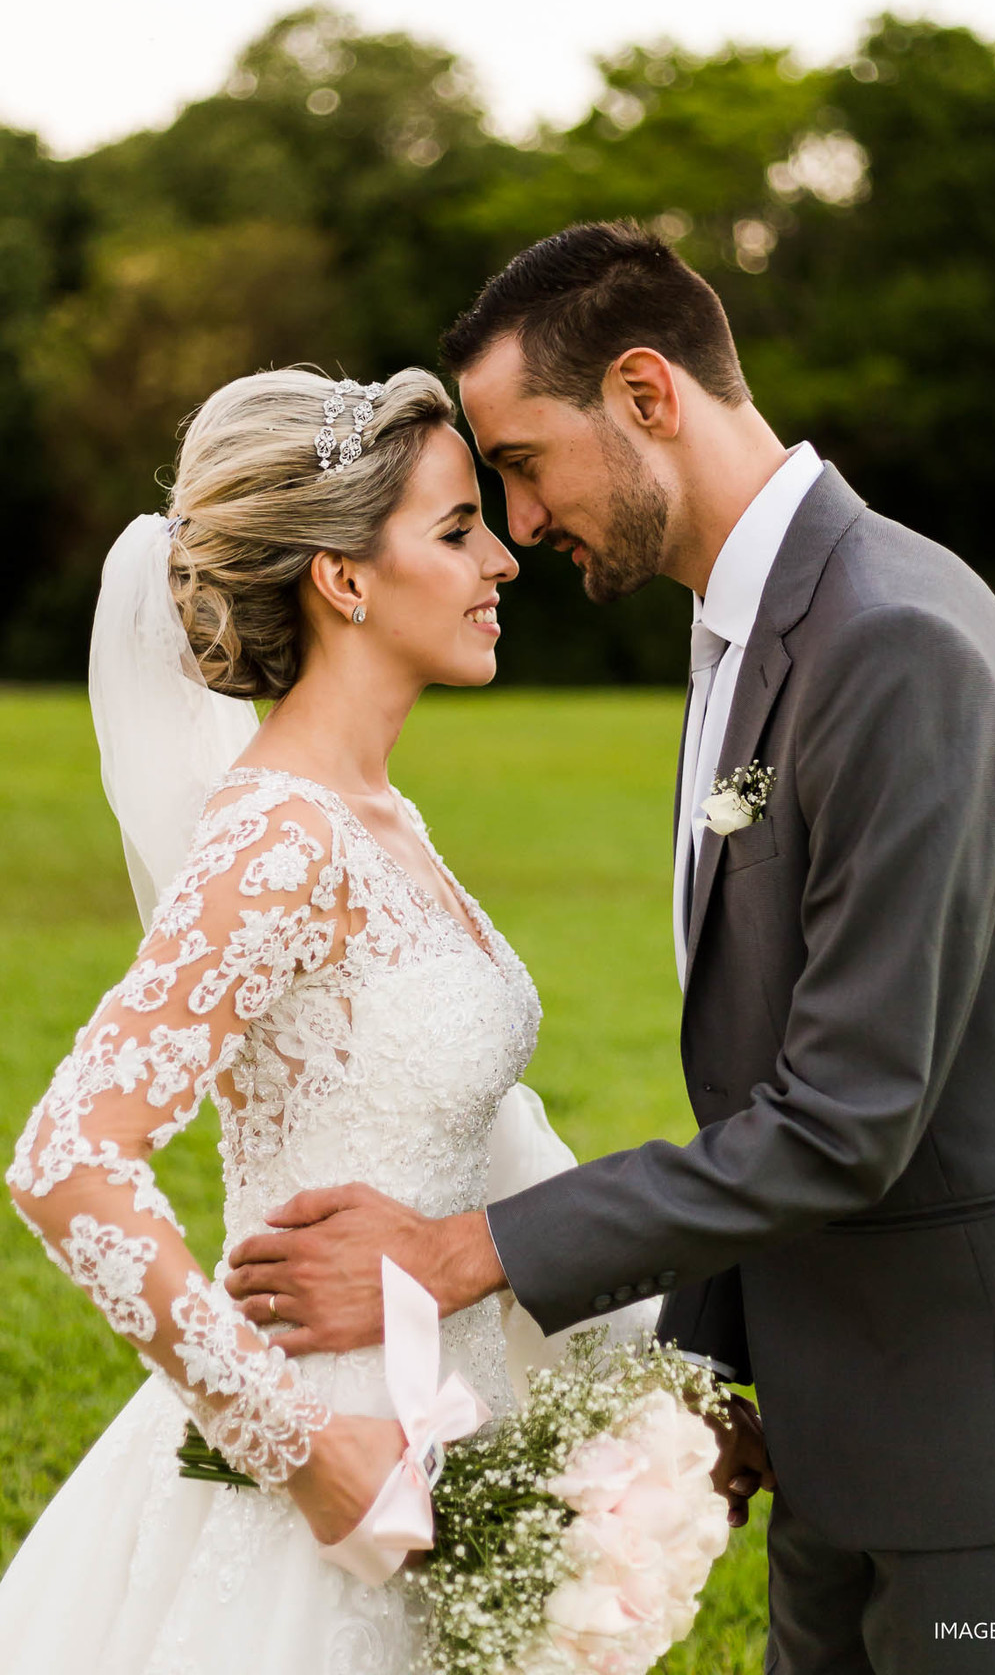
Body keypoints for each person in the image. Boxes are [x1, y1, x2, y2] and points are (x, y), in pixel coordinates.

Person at [229, 224, 995, 1674]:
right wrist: (713, 1370)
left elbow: (845, 1115)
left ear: (644, 393)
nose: (519, 524)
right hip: (839, 1409)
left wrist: (461, 1251)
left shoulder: (894, 643)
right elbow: (759, 1073)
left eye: (526, 462)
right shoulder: (741, 631)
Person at [0, 365, 660, 1673]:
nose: (502, 565)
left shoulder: (381, 821)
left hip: (456, 1416)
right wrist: (300, 1447)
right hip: (333, 1457)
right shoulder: (278, 840)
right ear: (344, 579)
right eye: (457, 528)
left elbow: (487, 1132)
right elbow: (68, 1160)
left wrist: (648, 1385)